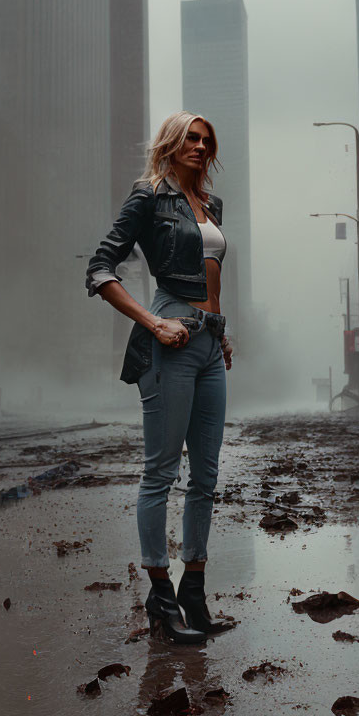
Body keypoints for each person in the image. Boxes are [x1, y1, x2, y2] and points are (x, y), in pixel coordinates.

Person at [86, 111, 233, 644]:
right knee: (160, 474)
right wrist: (153, 322)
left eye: (206, 141)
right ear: (171, 144)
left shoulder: (211, 205)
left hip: (209, 343)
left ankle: (194, 590)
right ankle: (160, 596)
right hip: (169, 342)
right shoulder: (148, 195)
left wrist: (221, 331)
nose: (198, 146)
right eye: (190, 138)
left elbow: (212, 276)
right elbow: (101, 268)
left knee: (207, 477)